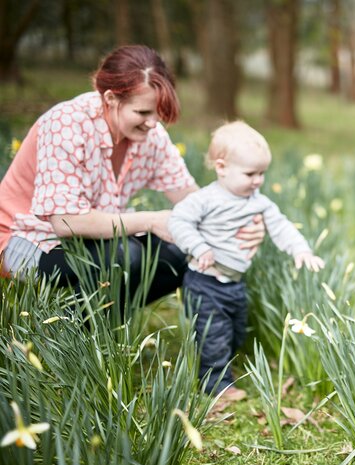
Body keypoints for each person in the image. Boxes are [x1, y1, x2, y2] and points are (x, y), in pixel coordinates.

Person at [0, 45, 265, 305]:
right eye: (142, 112)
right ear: (110, 99)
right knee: (124, 255)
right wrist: (150, 221)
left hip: (95, 244)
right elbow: (65, 221)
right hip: (26, 239)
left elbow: (191, 198)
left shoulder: (150, 136)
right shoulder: (66, 124)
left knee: (183, 249)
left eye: (158, 112)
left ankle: (96, 325)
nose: (153, 122)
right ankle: (74, 334)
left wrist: (240, 223)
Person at [168, 120, 325, 398]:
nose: (258, 181)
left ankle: (223, 365)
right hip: (205, 280)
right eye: (250, 173)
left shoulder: (259, 201)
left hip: (234, 283)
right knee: (213, 335)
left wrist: (301, 250)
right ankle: (217, 386)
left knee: (235, 330)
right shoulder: (206, 199)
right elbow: (178, 220)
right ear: (221, 168)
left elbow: (281, 226)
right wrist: (199, 246)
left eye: (262, 173)